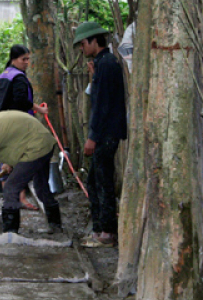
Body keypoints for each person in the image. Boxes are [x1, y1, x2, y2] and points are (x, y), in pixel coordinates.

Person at [73, 22, 127, 247]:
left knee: (102, 182)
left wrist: (92, 137)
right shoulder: (103, 64)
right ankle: (100, 230)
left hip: (105, 134)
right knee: (95, 181)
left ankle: (106, 232)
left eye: (83, 44)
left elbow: (102, 105)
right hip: (106, 132)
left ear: (95, 41)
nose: (82, 49)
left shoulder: (107, 64)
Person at [0, 44, 48, 210]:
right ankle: (18, 201)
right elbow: (20, 100)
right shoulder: (18, 78)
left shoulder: (4, 75)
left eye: (28, 59)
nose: (27, 62)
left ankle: (11, 201)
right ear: (14, 59)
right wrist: (38, 108)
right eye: (23, 59)